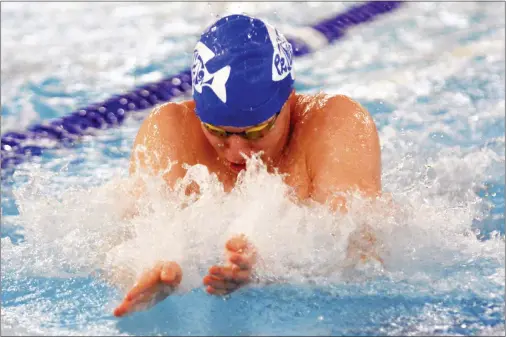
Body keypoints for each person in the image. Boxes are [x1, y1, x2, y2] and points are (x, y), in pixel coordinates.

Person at [112, 13, 382, 318]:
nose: (237, 152)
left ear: (288, 100)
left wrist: (270, 267)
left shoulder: (336, 125)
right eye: (217, 132)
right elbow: (126, 240)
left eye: (255, 132)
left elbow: (359, 254)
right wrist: (152, 272)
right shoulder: (171, 131)